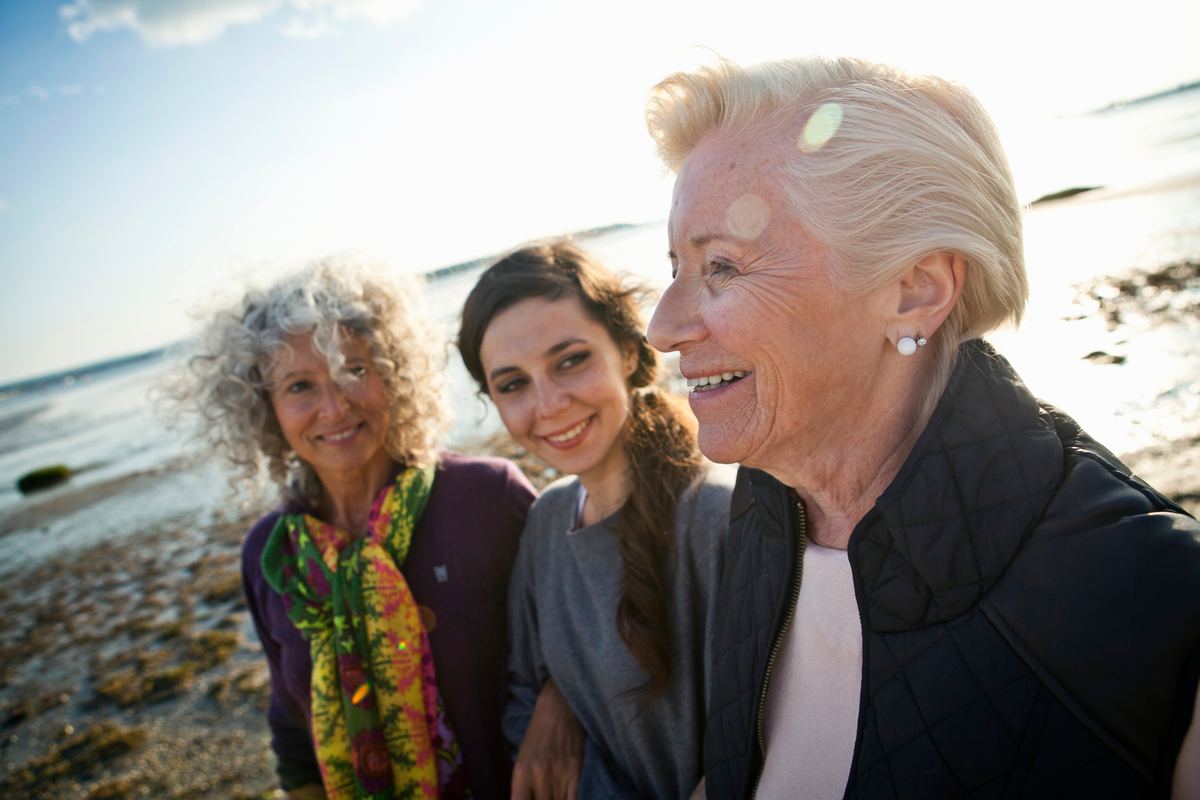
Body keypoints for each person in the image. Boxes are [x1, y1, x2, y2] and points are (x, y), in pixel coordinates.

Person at [642, 56, 1200, 800]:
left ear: (916, 291)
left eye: (721, 266)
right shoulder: (762, 514)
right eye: (674, 264)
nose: (662, 327)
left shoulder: (1158, 609)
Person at [177, 260, 536, 800]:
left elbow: (578, 649)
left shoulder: (487, 495)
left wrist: (557, 710)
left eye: (354, 371)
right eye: (300, 385)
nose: (333, 406)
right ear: (265, 409)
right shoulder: (270, 556)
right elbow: (292, 733)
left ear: (393, 373)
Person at [457, 240, 735, 800]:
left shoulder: (716, 515)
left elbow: (769, 738)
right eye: (512, 384)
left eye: (570, 360)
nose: (549, 403)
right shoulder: (547, 520)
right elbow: (521, 696)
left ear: (628, 353)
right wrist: (556, 697)